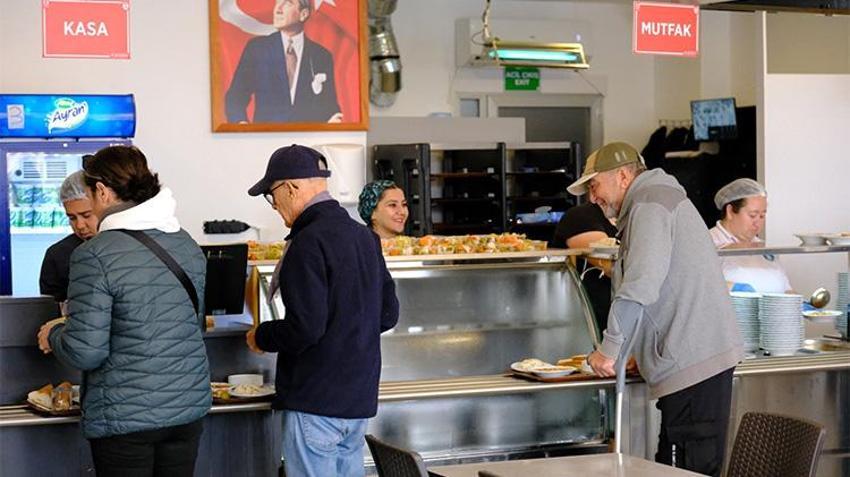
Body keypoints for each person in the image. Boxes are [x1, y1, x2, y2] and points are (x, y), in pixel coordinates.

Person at [569, 142, 744, 477]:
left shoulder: (650, 204)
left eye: (594, 186)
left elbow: (641, 284)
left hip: (693, 365)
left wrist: (610, 351)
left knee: (683, 471)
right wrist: (637, 350)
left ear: (622, 176)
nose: (592, 198)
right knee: (675, 466)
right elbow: (661, 286)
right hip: (693, 363)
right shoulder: (653, 199)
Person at [37, 145, 211, 477]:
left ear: (101, 192)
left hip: (126, 418)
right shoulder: (185, 243)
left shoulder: (95, 254)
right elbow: (194, 324)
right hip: (187, 413)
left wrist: (55, 333)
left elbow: (86, 351)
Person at [245, 144, 399, 477]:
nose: (274, 207)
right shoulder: (364, 238)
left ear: (290, 188)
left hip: (315, 402)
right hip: (357, 402)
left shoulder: (307, 242)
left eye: (272, 196)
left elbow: (306, 328)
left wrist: (262, 335)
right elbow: (388, 315)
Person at [225, 0, 342, 124]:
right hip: (265, 139)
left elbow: (329, 106)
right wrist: (242, 125)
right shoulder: (257, 49)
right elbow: (235, 98)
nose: (278, 9)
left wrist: (334, 119)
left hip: (307, 140)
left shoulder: (321, 56)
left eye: (287, 3)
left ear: (303, 14)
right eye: (277, 2)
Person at [709, 178, 793, 294]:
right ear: (730, 211)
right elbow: (700, 284)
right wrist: (732, 288)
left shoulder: (762, 248)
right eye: (753, 215)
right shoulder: (708, 242)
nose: (757, 222)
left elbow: (786, 288)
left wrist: (799, 304)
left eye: (762, 216)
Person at [552, 202, 617, 335]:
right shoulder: (581, 216)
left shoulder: (639, 218)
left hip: (633, 326)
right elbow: (612, 266)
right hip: (593, 329)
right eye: (593, 186)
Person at [39, 169, 99, 310]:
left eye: (86, 215)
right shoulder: (57, 255)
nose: (79, 225)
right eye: (72, 218)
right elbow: (51, 311)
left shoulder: (127, 247)